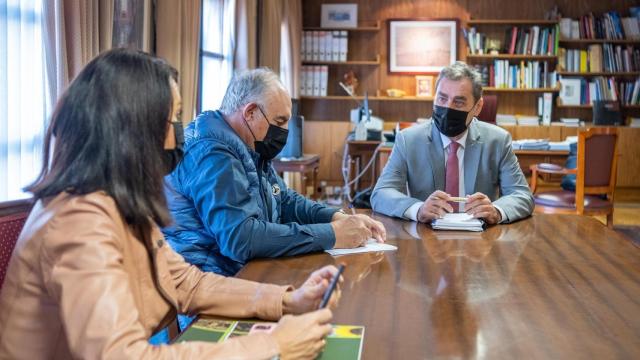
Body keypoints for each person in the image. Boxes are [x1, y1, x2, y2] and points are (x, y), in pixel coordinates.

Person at [0, 49, 342, 359]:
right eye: (172, 119)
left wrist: (286, 300)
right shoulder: (78, 221)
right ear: (133, 130)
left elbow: (185, 283)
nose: (179, 134)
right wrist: (273, 345)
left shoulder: (115, 202)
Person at [163, 68, 386, 276]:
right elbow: (241, 239)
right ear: (250, 112)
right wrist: (333, 234)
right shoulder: (212, 153)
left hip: (243, 273)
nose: (285, 132)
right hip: (214, 282)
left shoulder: (247, 144)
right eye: (279, 121)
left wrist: (337, 217)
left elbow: (285, 200)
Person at [371, 61, 534, 224]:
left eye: (459, 102)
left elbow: (522, 196)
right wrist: (418, 209)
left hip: (480, 239)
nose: (447, 108)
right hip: (424, 236)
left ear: (477, 107)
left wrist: (496, 211)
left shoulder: (497, 141)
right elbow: (382, 193)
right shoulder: (408, 140)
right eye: (442, 98)